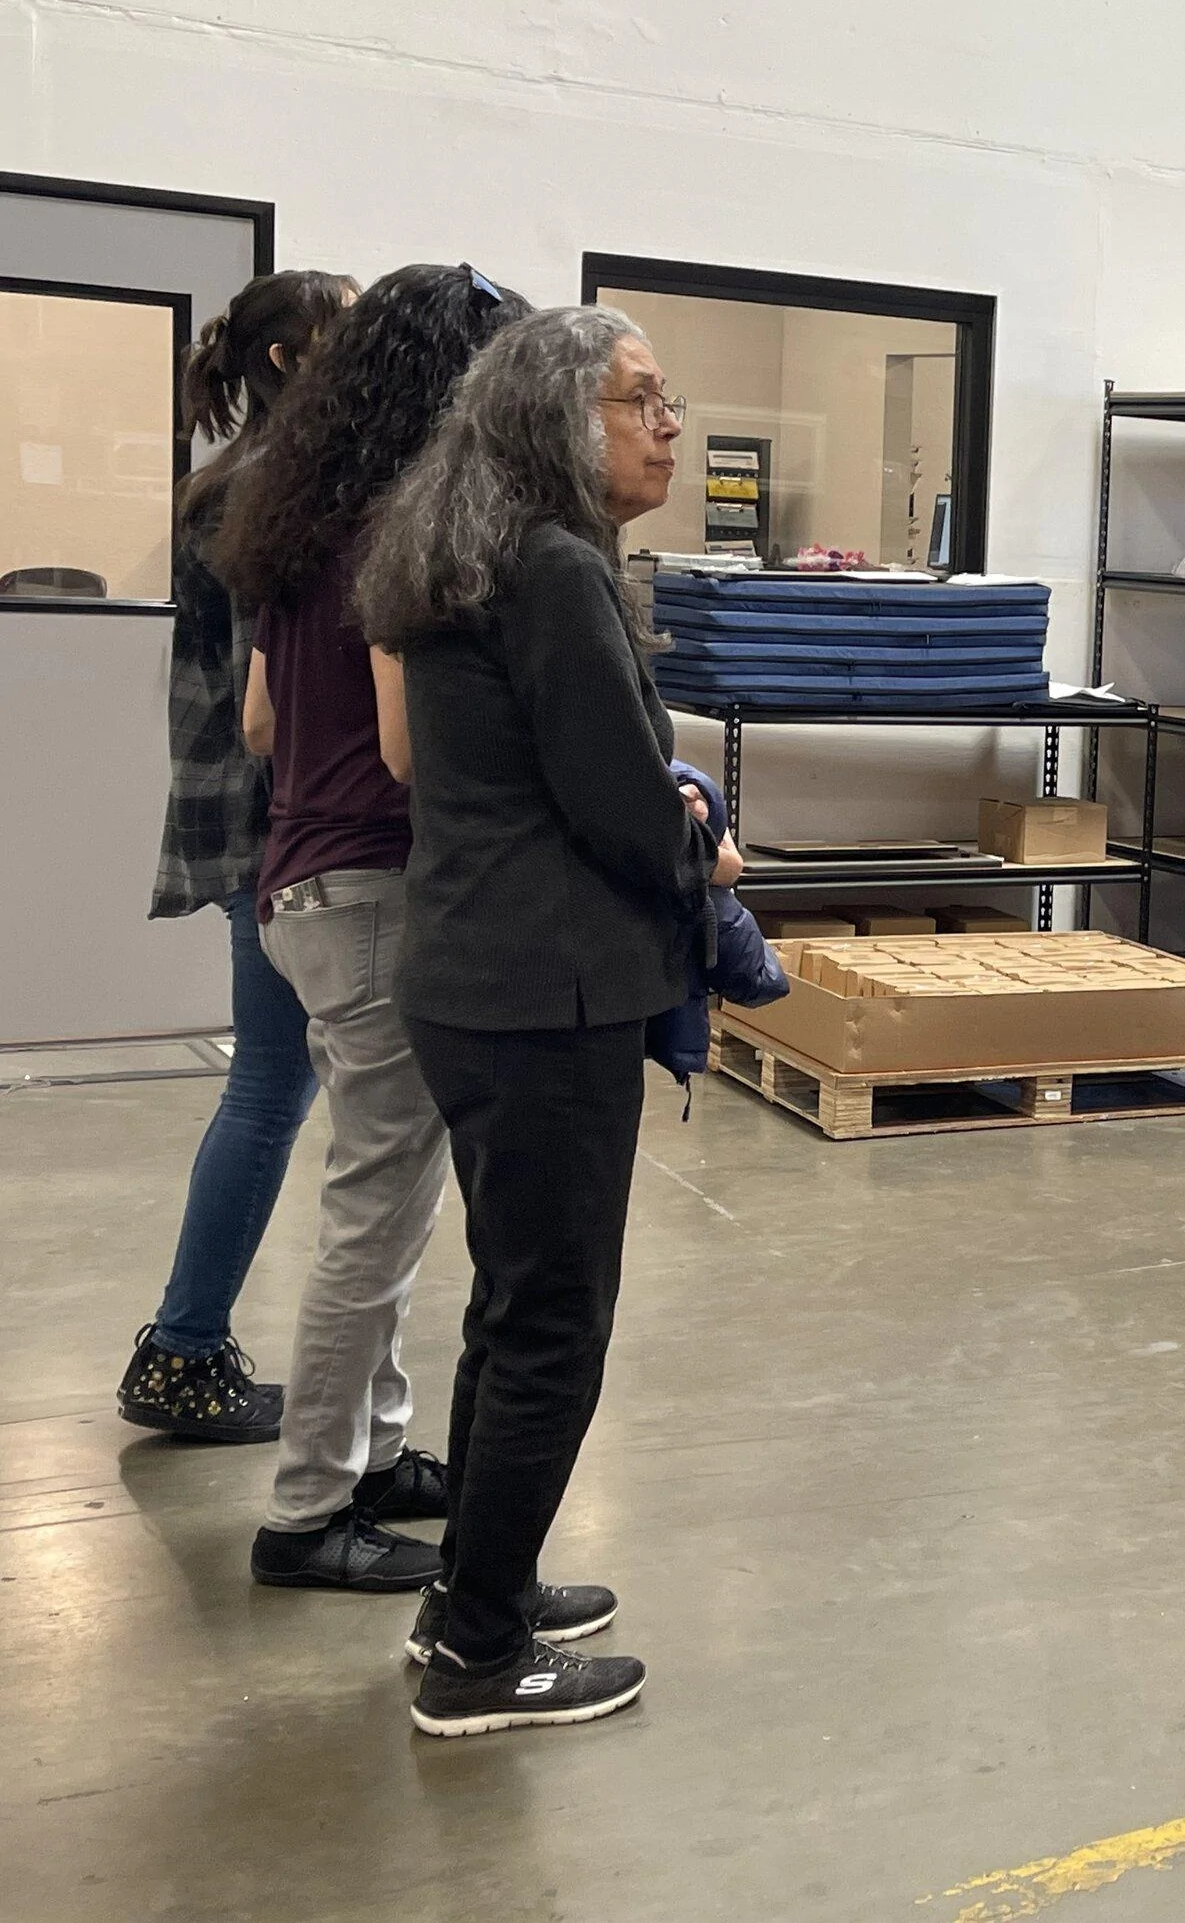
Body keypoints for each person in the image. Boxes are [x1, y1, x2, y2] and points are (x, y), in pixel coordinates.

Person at [356, 306, 741, 1737]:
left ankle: (475, 1587)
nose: (669, 423)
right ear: (553, 415)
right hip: (547, 991)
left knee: (513, 1305)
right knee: (554, 1324)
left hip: (476, 979)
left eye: (667, 398)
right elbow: (615, 796)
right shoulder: (556, 566)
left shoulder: (466, 547)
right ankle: (477, 1655)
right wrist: (696, 839)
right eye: (640, 398)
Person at [216, 262, 532, 1591]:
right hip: (371, 891)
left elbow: (260, 723)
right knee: (377, 1212)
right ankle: (304, 1510)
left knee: (384, 1190)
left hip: (299, 875)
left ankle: (375, 1449)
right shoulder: (404, 521)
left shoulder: (300, 510)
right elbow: (411, 750)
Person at [119, 270, 357, 1442]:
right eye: (342, 335)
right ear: (283, 361)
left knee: (272, 1085)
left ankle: (184, 1342)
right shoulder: (271, 494)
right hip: (275, 826)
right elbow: (279, 705)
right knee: (271, 1088)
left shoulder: (231, 482)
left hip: (259, 822)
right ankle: (184, 1349)